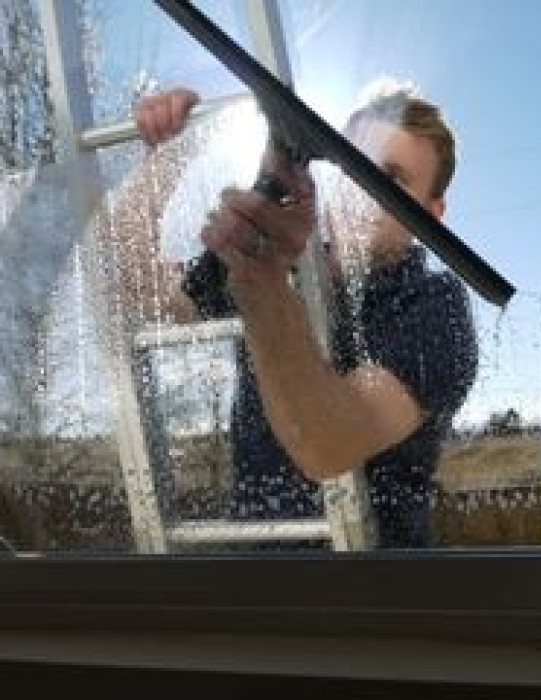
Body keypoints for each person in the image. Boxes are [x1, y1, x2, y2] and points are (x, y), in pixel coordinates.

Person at [134, 80, 478, 548]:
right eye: (355, 167)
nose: (365, 189)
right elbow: (142, 302)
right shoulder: (272, 251)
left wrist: (262, 281)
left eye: (393, 178)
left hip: (376, 586)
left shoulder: (434, 305)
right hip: (255, 577)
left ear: (432, 213)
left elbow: (325, 443)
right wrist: (169, 149)